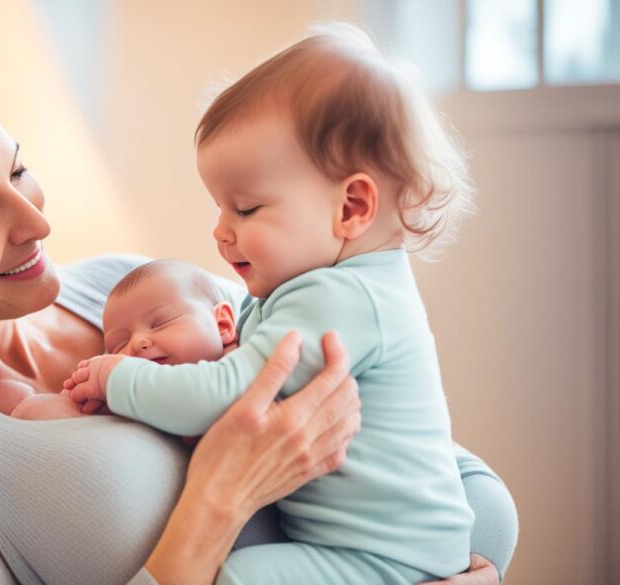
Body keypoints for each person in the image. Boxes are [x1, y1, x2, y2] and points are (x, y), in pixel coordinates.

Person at [0, 47, 517, 585]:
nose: (35, 223)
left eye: (18, 169)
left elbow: (430, 464)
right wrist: (216, 502)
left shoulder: (132, 290)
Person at [65, 24, 478, 583]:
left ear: (351, 207)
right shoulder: (321, 286)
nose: (220, 232)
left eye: (246, 209)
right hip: (390, 547)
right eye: (220, 207)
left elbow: (220, 394)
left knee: (237, 578)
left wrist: (118, 376)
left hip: (386, 560)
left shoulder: (340, 298)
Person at [0, 259, 239, 419]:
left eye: (161, 323)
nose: (138, 343)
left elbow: (202, 395)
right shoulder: (126, 400)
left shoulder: (245, 362)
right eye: (118, 345)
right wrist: (24, 402)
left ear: (223, 324)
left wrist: (109, 377)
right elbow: (70, 420)